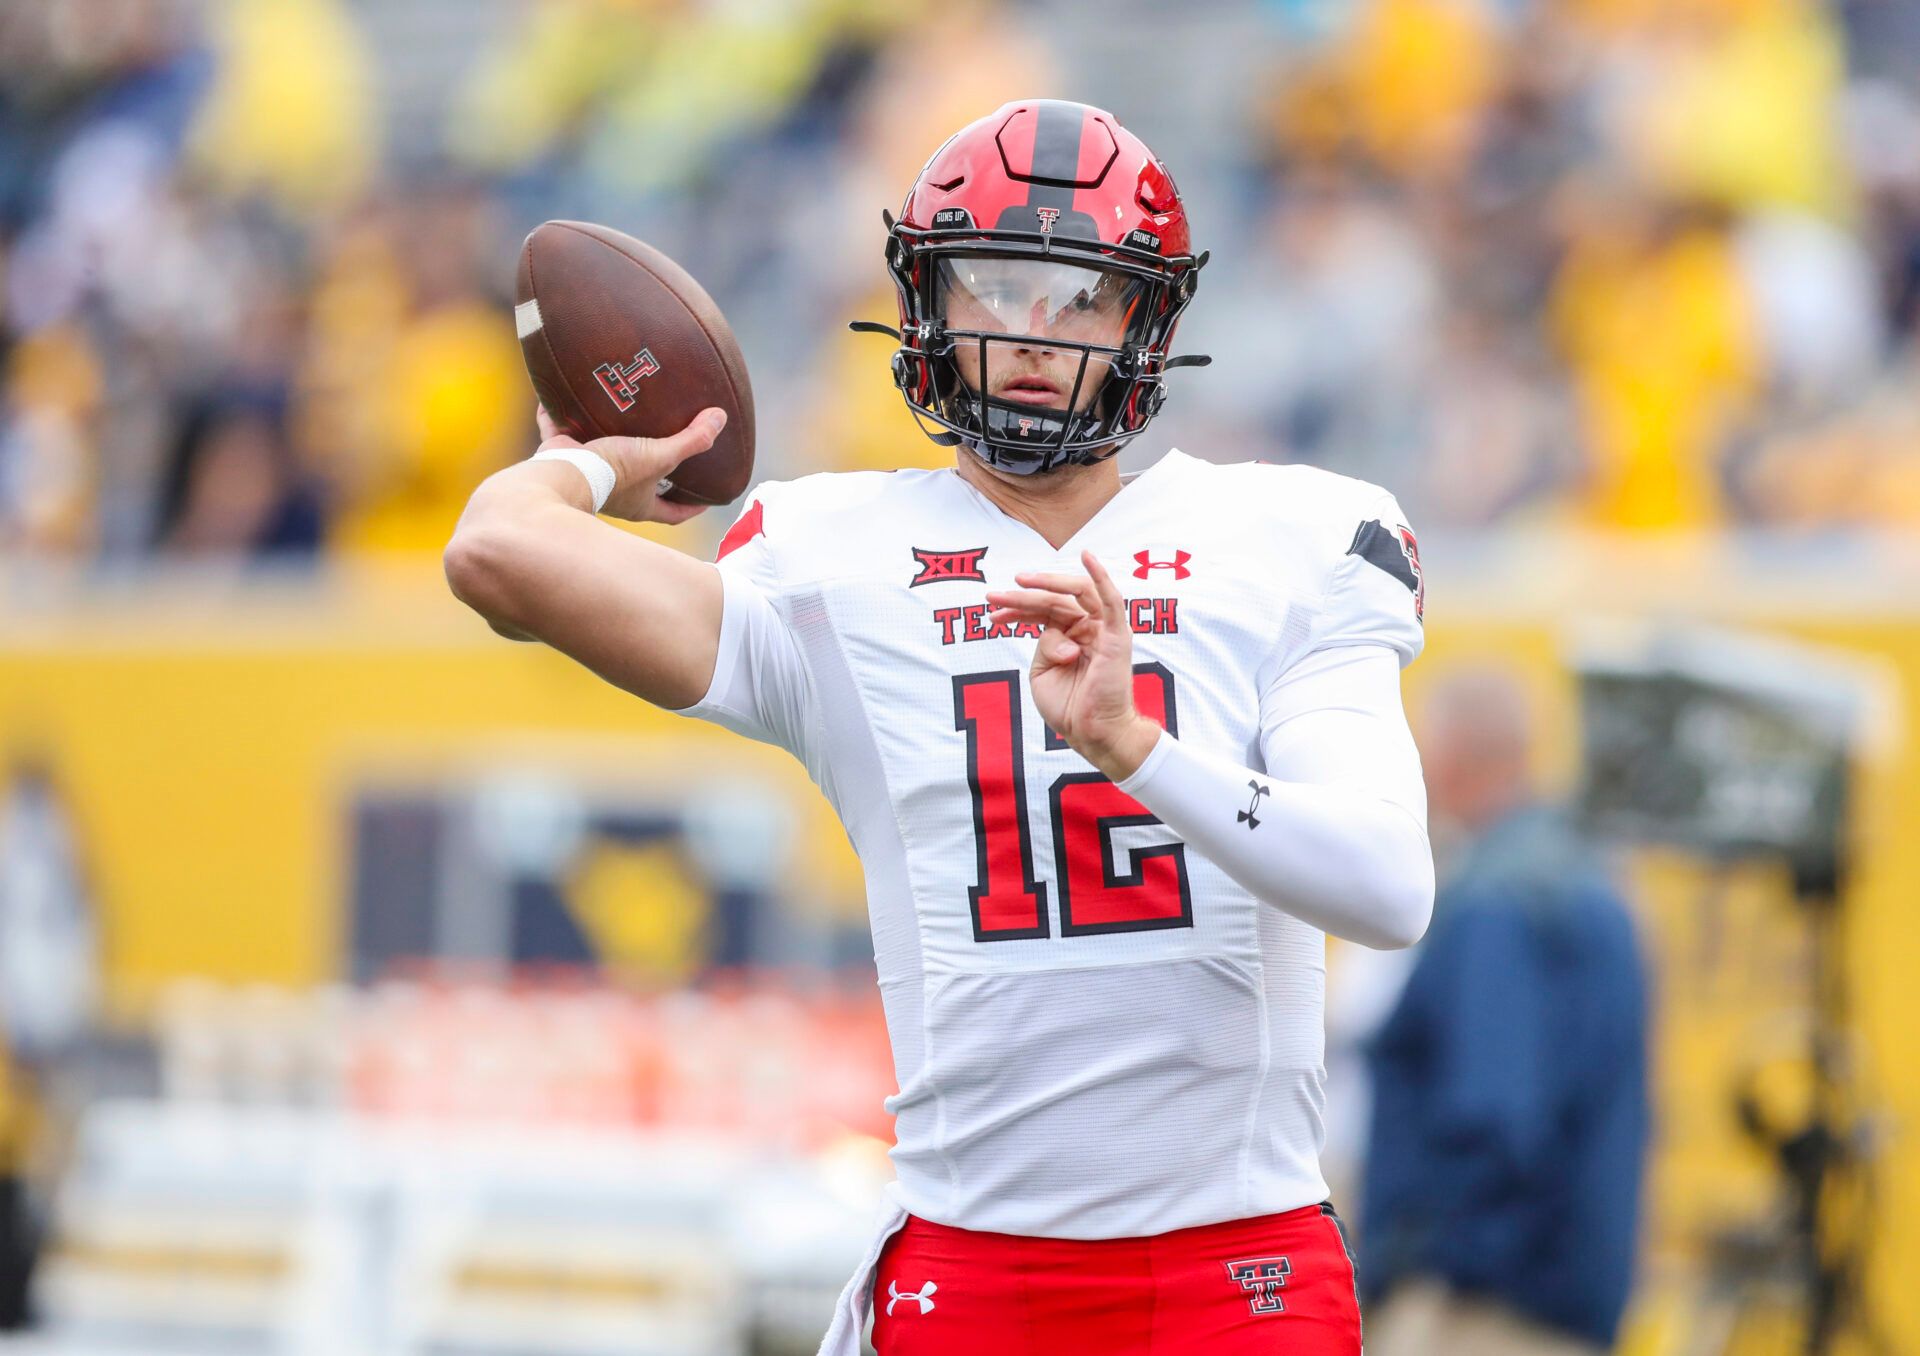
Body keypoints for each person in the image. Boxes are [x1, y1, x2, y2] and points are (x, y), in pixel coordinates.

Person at [446, 100, 1433, 1355]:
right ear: (926, 301)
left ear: (1145, 321)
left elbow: (1388, 887)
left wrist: (1136, 747)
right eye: (991, 285)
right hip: (973, 1270)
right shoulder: (830, 563)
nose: (1030, 330)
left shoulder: (1292, 542)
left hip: (1237, 1270)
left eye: (1078, 296)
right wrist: (604, 463)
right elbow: (494, 548)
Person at [1360, 668, 1649, 1356]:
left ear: (1450, 756)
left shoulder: (1498, 903)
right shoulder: (1584, 876)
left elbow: (1493, 1120)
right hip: (1560, 1293)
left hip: (1487, 1311)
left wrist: (1413, 1255)